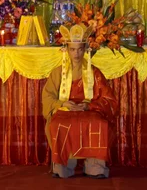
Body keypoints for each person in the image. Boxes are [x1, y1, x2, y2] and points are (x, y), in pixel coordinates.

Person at [42, 41, 119, 179]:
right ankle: (62, 167)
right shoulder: (58, 72)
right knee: (57, 124)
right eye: (72, 49)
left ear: (85, 50)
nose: (76, 53)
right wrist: (62, 103)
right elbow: (48, 96)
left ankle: (95, 167)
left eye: (79, 49)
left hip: (89, 109)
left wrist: (89, 106)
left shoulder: (94, 73)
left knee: (99, 124)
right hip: (65, 109)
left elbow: (109, 99)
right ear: (66, 50)